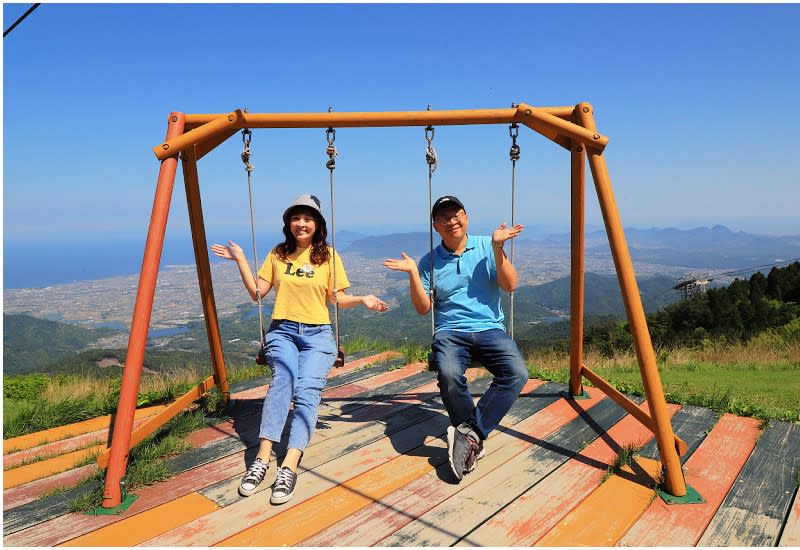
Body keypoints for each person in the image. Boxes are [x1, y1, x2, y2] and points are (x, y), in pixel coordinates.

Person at [212, 193, 388, 504]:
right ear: (288, 223)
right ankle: (262, 458)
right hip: (282, 330)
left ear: (317, 224)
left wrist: (362, 299)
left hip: (318, 334)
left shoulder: (329, 256)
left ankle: (289, 464)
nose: (301, 223)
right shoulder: (278, 255)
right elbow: (257, 292)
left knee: (307, 390)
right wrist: (240, 259)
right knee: (284, 381)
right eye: (296, 217)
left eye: (307, 218)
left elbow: (337, 299)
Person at [383, 195, 528, 482]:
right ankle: (472, 438)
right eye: (444, 218)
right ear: (435, 226)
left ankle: (469, 434)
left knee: (517, 373)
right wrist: (414, 273)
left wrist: (498, 246)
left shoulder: (487, 246)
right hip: (450, 331)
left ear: (467, 217)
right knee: (448, 373)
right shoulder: (430, 261)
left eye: (456, 214)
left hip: (489, 328)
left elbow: (510, 285)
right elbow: (424, 308)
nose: (452, 221)